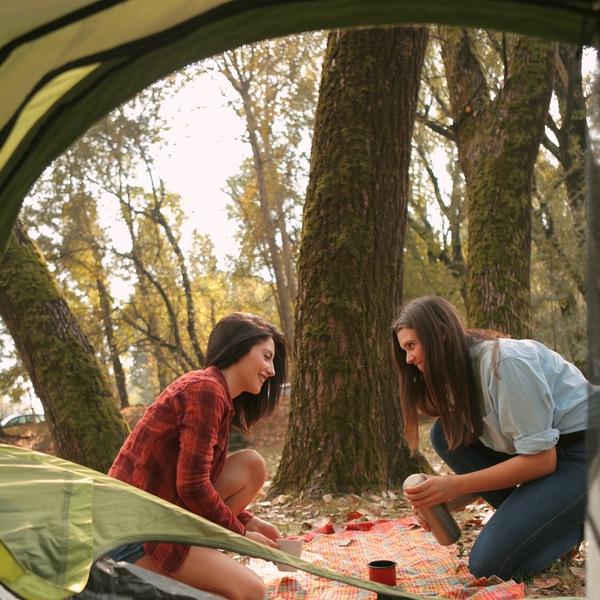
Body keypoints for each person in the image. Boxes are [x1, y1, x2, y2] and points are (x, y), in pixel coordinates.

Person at [391, 295, 590, 581]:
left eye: (412, 346)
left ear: (441, 335)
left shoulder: (503, 364)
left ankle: (577, 521)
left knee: (487, 566)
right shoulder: (465, 373)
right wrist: (445, 503)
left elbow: (542, 462)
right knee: (445, 433)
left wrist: (452, 485)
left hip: (585, 457)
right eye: (404, 349)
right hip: (556, 455)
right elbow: (496, 468)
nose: (408, 359)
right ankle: (550, 519)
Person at [106, 312, 288, 600]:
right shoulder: (206, 390)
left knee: (251, 465)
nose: (272, 370)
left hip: (164, 518)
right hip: (133, 536)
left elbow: (197, 482)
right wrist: (240, 534)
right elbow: (191, 485)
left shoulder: (216, 394)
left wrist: (248, 520)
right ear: (239, 347)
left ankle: (196, 563)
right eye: (266, 356)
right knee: (251, 590)